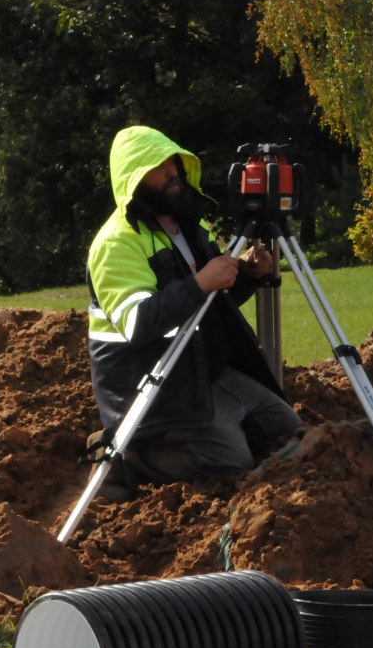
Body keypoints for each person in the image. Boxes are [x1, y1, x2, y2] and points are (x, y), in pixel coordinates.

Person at [86, 126, 301, 499]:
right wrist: (200, 282)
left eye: (174, 162)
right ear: (134, 178)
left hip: (205, 370)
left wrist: (243, 276)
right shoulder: (116, 244)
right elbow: (139, 323)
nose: (172, 172)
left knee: (285, 429)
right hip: (154, 385)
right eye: (158, 166)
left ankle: (216, 432)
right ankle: (126, 458)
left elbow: (207, 307)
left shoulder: (191, 224)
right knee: (232, 461)